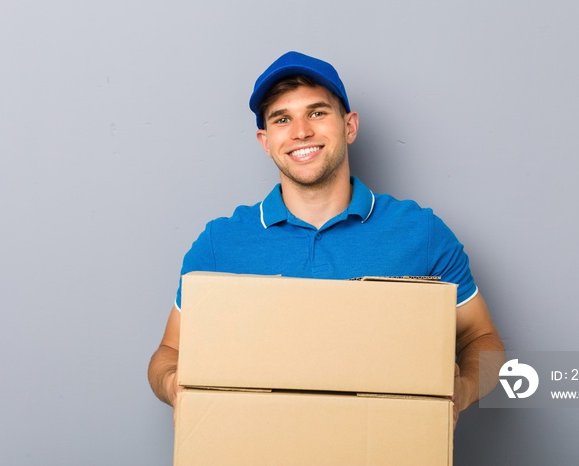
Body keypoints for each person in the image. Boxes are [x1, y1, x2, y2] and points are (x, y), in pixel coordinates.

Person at [148, 51, 505, 427]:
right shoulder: (221, 242)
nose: (301, 131)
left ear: (350, 126)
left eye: (317, 113)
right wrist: (173, 385)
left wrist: (459, 393)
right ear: (265, 140)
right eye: (282, 119)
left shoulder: (421, 233)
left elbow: (482, 338)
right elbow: (170, 351)